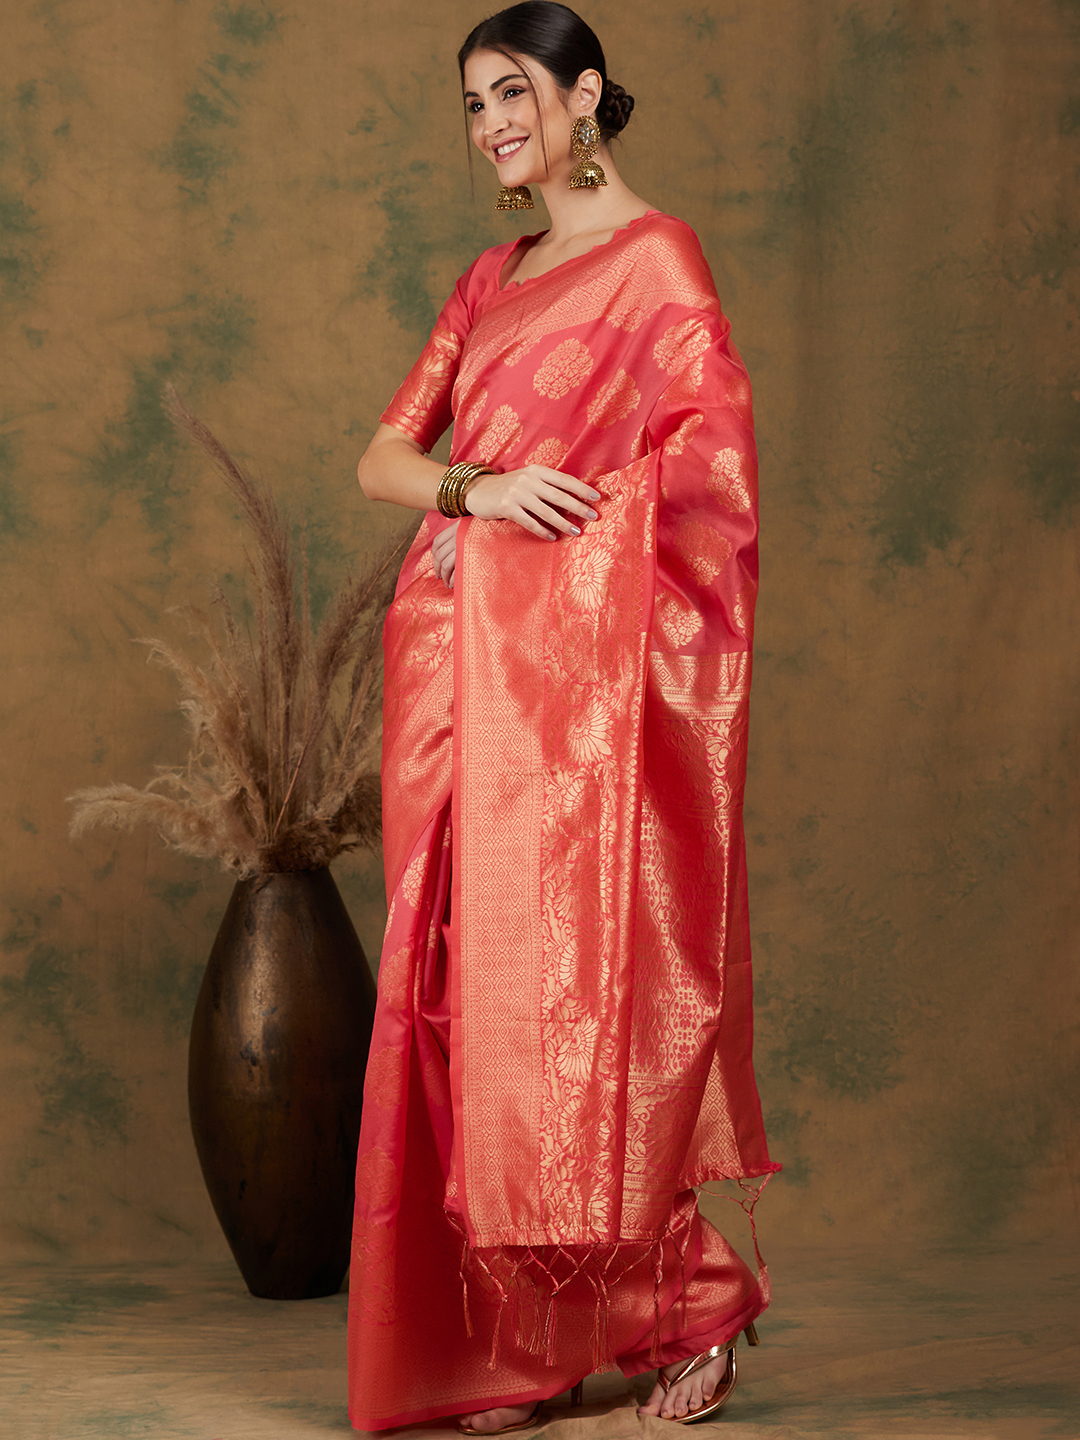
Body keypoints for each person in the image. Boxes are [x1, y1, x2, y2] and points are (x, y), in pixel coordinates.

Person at [347, 3, 778, 1431]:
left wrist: (548, 547)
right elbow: (384, 458)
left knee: (571, 998)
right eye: (473, 104)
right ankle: (511, 1341)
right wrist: (482, 492)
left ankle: (688, 1305)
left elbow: (707, 494)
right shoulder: (492, 277)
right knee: (454, 987)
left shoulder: (658, 264)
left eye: (513, 93)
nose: (492, 125)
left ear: (585, 95)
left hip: (568, 696)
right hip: (447, 672)